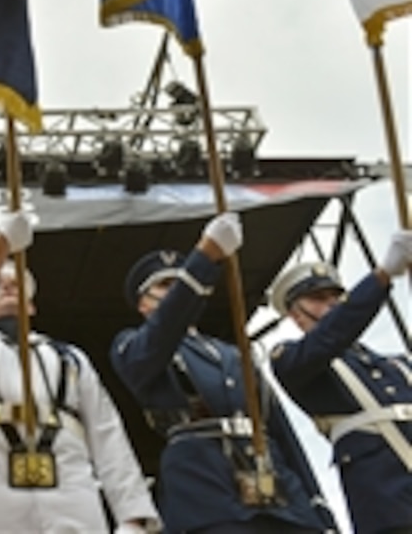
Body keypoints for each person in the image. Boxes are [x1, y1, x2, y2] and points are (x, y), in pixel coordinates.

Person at [0, 211, 160, 533]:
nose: (9, 286)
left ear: (32, 306)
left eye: (18, 285)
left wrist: (132, 515)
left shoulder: (70, 359)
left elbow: (107, 433)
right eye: (0, 284)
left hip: (70, 483)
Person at [111, 212, 336, 534]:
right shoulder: (133, 345)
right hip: (207, 492)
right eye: (164, 286)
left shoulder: (232, 353)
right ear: (143, 305)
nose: (175, 291)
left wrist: (317, 504)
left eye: (180, 283)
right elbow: (153, 346)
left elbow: (280, 431)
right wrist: (204, 259)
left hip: (280, 493)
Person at [267, 230, 412, 534]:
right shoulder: (292, 360)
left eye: (337, 297)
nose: (333, 304)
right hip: (391, 509)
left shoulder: (397, 364)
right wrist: (382, 277)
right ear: (296, 314)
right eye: (319, 299)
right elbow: (333, 334)